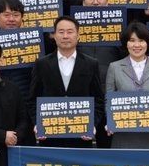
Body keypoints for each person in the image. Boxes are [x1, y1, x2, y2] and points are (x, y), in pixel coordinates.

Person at [29, 16, 104, 148]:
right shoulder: (42, 64)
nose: (65, 36)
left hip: (81, 136)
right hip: (50, 136)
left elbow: (98, 99)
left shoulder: (91, 64)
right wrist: (37, 123)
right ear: (54, 35)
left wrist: (92, 124)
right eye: (61, 32)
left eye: (70, 32)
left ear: (78, 35)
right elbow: (33, 99)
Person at [104, 23, 149, 149]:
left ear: (148, 43)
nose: (137, 45)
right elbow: (108, 99)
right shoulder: (114, 67)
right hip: (122, 134)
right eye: (132, 40)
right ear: (126, 43)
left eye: (141, 40)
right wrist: (111, 120)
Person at [75, 0, 124, 148]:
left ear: (107, 2)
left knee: (107, 143)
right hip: (80, 95)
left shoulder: (118, 28)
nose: (95, 2)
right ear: (83, 3)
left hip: (109, 93)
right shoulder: (72, 29)